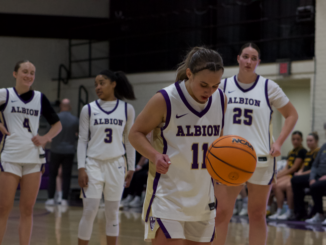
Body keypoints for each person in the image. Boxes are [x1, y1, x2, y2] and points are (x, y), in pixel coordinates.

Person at [129, 47, 225, 244]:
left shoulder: (221, 99)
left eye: (215, 85)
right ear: (189, 74)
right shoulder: (165, 99)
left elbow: (218, 143)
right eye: (204, 84)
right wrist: (154, 155)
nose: (209, 91)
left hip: (203, 197)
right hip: (168, 194)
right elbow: (135, 133)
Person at [214, 43, 298, 245]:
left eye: (254, 58)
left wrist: (278, 143)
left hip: (260, 160)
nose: (249, 61)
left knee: (258, 214)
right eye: (246, 56)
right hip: (228, 159)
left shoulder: (269, 87)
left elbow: (291, 115)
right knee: (222, 212)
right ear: (238, 58)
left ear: (258, 62)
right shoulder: (223, 86)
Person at [0, 60, 62, 245]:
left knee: (27, 210)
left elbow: (57, 125)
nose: (28, 75)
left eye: (32, 73)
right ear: (15, 73)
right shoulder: (5, 94)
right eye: (25, 71)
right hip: (10, 156)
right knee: (4, 208)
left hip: (34, 158)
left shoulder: (40, 98)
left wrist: (45, 138)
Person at [77, 69, 136, 245]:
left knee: (112, 212)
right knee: (90, 211)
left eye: (101, 83)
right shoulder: (88, 109)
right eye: (96, 84)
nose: (97, 87)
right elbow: (82, 140)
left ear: (113, 84)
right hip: (93, 164)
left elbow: (130, 141)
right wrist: (81, 167)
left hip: (117, 164)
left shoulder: (127, 109)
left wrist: (131, 167)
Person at [45, 98, 79, 206]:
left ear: (60, 106)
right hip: (69, 150)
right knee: (67, 175)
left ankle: (50, 198)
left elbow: (48, 134)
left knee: (53, 174)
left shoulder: (55, 118)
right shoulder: (75, 120)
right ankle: (64, 199)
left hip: (56, 149)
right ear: (69, 107)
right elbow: (80, 134)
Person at [268, 131, 307, 220]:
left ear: (301, 140)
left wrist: (279, 176)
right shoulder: (291, 151)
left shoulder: (302, 151)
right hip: (288, 174)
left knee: (283, 186)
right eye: (293, 139)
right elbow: (286, 168)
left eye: (298, 139)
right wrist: (276, 175)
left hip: (295, 176)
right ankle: (279, 210)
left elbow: (293, 168)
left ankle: (290, 211)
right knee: (274, 184)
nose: (295, 141)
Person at [291, 134, 326, 223]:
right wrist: (312, 178)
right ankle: (300, 212)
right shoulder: (324, 146)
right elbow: (314, 165)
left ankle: (319, 213)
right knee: (295, 180)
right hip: (318, 176)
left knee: (315, 186)